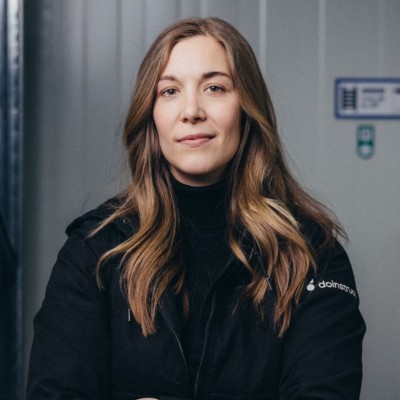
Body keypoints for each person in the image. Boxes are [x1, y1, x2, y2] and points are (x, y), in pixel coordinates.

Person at [26, 17, 366, 400]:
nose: (191, 110)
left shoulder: (312, 252)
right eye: (170, 91)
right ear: (151, 113)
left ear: (247, 106)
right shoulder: (95, 248)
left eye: (214, 88)